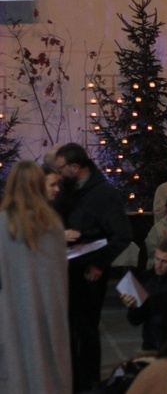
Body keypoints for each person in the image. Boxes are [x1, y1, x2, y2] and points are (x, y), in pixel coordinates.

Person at [54, 143, 132, 391]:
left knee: (86, 331)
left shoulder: (103, 195)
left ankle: (88, 383)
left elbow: (122, 234)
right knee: (68, 329)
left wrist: (100, 264)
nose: (57, 173)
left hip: (89, 272)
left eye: (61, 168)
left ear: (76, 167)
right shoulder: (67, 190)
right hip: (66, 269)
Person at [0, 161, 71, 393]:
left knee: (16, 367)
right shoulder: (52, 224)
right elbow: (59, 274)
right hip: (49, 310)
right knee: (48, 370)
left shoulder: (3, 224)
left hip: (11, 311)